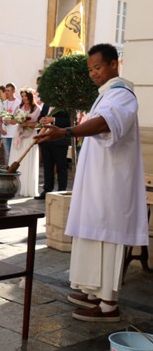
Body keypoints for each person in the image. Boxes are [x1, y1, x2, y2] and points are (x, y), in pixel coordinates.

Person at [35, 43, 148, 322]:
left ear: (114, 64)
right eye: (90, 69)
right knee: (92, 233)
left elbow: (104, 124)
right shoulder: (106, 94)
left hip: (112, 184)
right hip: (97, 182)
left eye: (98, 67)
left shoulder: (123, 94)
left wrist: (66, 130)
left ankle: (109, 304)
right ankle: (93, 291)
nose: (93, 73)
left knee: (107, 237)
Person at [7, 88, 41, 197]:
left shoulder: (37, 108)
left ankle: (26, 188)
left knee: (27, 160)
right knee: (16, 159)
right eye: (22, 96)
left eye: (26, 96)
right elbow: (14, 121)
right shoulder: (19, 107)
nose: (24, 98)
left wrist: (25, 123)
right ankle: (13, 186)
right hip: (18, 136)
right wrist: (10, 120)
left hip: (30, 137)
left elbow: (37, 124)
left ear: (31, 96)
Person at [34, 99, 70, 200]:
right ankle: (47, 190)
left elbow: (69, 121)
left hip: (60, 140)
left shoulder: (65, 104)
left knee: (61, 166)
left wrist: (53, 119)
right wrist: (41, 120)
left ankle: (61, 190)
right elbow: (41, 116)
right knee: (47, 166)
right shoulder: (47, 104)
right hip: (46, 139)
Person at [0, 83, 20, 164]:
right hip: (5, 131)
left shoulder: (19, 102)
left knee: (14, 153)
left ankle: (13, 171)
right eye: (6, 91)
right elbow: (0, 116)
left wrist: (11, 120)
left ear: (13, 91)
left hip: (14, 132)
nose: (6, 92)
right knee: (7, 153)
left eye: (8, 90)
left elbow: (20, 117)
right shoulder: (3, 103)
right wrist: (0, 128)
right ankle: (8, 171)